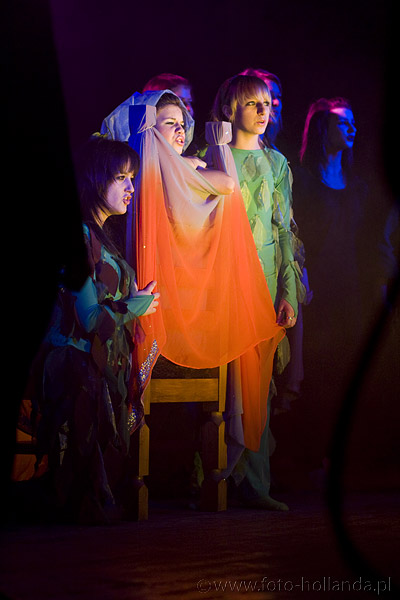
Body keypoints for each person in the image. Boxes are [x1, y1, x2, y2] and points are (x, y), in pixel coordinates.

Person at [100, 89, 286, 502]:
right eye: (170, 123)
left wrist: (196, 160)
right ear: (150, 129)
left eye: (183, 124)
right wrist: (202, 155)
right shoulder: (147, 167)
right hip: (152, 304)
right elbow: (224, 182)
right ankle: (129, 478)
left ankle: (212, 478)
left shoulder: (184, 166)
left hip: (189, 303)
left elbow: (226, 188)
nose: (181, 131)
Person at [25, 137, 160, 524]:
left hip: (95, 360)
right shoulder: (81, 236)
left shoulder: (102, 237)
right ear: (94, 180)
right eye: (121, 178)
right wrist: (135, 305)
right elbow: (86, 318)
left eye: (132, 178)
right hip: (71, 360)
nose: (131, 187)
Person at [209, 74, 299, 509]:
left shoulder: (277, 163)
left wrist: (288, 293)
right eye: (253, 104)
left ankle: (256, 483)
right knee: (226, 385)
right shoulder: (213, 155)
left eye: (267, 104)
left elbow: (283, 232)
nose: (264, 112)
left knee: (259, 385)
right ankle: (212, 477)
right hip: (225, 285)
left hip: (263, 284)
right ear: (232, 109)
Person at [292, 97, 372, 475]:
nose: (352, 128)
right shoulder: (303, 181)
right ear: (323, 127)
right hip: (315, 288)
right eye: (343, 122)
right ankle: (310, 456)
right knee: (316, 370)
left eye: (353, 122)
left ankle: (344, 456)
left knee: (347, 370)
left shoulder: (358, 187)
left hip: (350, 289)